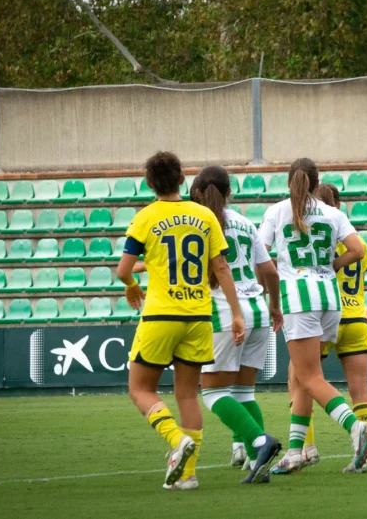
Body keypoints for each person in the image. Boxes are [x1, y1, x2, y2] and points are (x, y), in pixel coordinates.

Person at [118, 152, 245, 490]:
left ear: (149, 183)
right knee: (187, 395)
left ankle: (176, 440)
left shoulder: (145, 218)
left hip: (161, 315)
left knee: (140, 389)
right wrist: (235, 312)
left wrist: (132, 287)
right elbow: (221, 267)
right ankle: (187, 475)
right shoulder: (205, 215)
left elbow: (123, 270)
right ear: (181, 180)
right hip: (199, 315)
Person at [259, 159, 367, 474]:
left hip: (298, 298)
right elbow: (357, 250)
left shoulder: (276, 212)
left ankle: (354, 425)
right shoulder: (333, 213)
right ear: (315, 181)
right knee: (300, 375)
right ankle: (296, 451)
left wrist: (269, 288)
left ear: (289, 182)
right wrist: (332, 266)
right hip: (329, 298)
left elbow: (262, 257)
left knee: (309, 377)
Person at [186, 167, 283, 484]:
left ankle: (259, 441)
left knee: (213, 393)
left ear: (198, 192)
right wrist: (275, 306)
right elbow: (270, 271)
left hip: (225, 310)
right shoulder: (244, 222)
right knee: (244, 392)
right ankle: (260, 465)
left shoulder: (199, 223)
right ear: (229, 192)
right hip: (256, 308)